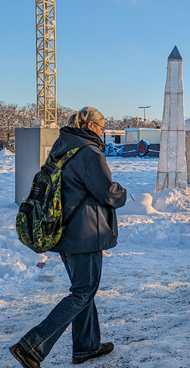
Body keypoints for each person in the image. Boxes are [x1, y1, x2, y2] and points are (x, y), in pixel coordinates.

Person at [10, 107, 127, 368]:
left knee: (82, 291)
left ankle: (86, 348)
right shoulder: (88, 152)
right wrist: (121, 192)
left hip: (64, 231)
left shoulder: (62, 146)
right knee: (83, 292)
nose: (103, 131)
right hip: (85, 232)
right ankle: (31, 346)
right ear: (89, 127)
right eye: (101, 126)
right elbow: (107, 192)